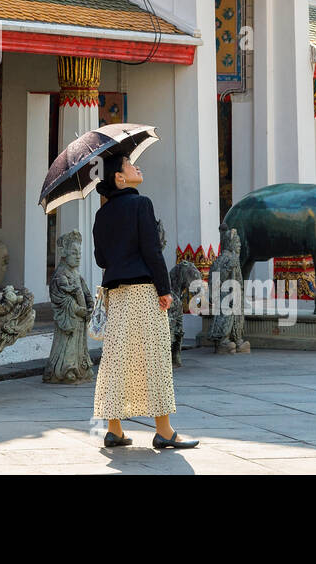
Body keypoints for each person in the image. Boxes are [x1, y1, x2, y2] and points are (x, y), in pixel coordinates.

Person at [91, 152, 198, 450]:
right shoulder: (141, 203)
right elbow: (152, 250)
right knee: (155, 358)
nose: (137, 166)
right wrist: (165, 289)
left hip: (116, 295)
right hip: (143, 291)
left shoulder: (102, 214)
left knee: (116, 359)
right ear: (120, 177)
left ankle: (114, 429)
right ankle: (164, 431)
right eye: (129, 164)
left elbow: (101, 259)